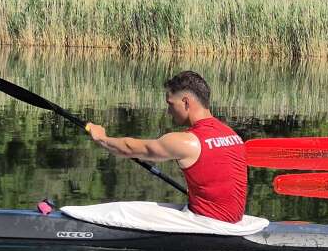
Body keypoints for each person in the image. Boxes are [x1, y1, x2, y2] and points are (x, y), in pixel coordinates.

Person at [84, 71, 248, 223]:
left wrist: (101, 138)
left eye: (170, 104)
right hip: (234, 221)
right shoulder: (232, 135)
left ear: (185, 102)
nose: (169, 112)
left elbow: (129, 148)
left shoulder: (187, 142)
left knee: (120, 209)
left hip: (208, 225)